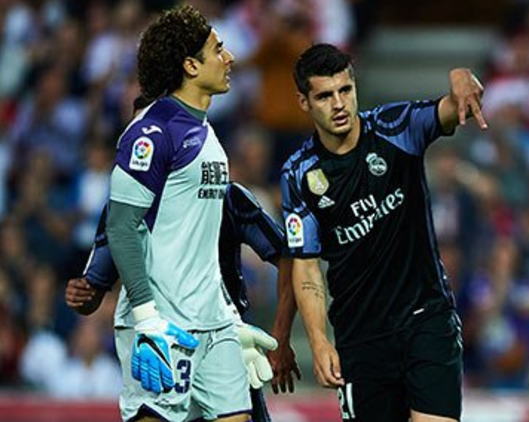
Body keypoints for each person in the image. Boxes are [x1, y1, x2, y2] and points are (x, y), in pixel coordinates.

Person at [281, 43, 487, 422]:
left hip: (426, 318)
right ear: (304, 102)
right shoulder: (299, 174)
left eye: (346, 90)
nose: (339, 103)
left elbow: (448, 111)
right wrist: (318, 339)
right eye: (325, 96)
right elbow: (306, 266)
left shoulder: (398, 128)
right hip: (361, 336)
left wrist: (461, 77)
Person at [103, 5, 251, 421]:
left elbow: (195, 237)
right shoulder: (151, 132)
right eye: (217, 49)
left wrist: (226, 314)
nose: (230, 58)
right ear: (190, 65)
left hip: (213, 323)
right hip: (162, 323)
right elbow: (121, 225)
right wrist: (147, 318)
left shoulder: (206, 130)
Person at [66, 180, 301, 422]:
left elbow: (288, 258)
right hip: (162, 346)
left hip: (223, 341)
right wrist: (82, 295)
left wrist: (281, 338)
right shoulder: (126, 206)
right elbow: (92, 292)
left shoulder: (227, 197)